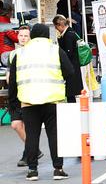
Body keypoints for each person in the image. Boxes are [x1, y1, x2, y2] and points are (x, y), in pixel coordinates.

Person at [8, 24, 75, 181]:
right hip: (52, 100)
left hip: (28, 102)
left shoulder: (20, 53)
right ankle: (58, 169)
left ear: (32, 35)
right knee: (54, 135)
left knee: (32, 136)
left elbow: (12, 83)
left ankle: (32, 171)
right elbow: (70, 71)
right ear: (47, 35)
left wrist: (13, 107)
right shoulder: (55, 50)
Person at [6, 26, 44, 167]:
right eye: (20, 35)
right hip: (16, 95)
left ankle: (29, 153)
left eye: (26, 36)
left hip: (29, 93)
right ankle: (33, 151)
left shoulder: (34, 54)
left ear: (31, 38)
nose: (22, 38)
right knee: (17, 125)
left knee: (27, 126)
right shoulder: (13, 54)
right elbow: (10, 72)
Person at [52, 15, 83, 102]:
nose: (56, 29)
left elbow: (68, 52)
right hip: (73, 65)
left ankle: (72, 107)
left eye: (56, 27)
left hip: (71, 65)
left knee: (70, 91)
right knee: (71, 91)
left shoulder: (68, 35)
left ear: (59, 25)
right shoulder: (71, 32)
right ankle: (71, 104)